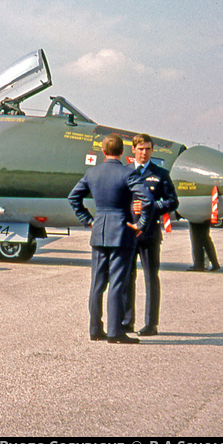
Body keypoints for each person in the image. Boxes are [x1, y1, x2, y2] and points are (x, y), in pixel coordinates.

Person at [68, 134, 154, 344]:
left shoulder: (92, 172)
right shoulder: (128, 173)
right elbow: (148, 200)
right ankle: (115, 331)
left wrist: (87, 220)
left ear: (103, 152)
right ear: (122, 152)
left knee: (97, 283)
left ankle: (95, 328)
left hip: (99, 230)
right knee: (117, 282)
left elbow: (73, 197)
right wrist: (141, 224)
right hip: (122, 232)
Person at [122, 134, 178, 336]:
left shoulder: (161, 174)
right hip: (128, 233)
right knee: (127, 278)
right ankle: (127, 321)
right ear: (133, 150)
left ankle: (151, 323)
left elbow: (172, 202)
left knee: (151, 278)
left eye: (148, 149)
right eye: (140, 148)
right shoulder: (124, 172)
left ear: (152, 151)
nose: (144, 152)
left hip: (149, 234)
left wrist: (152, 206)